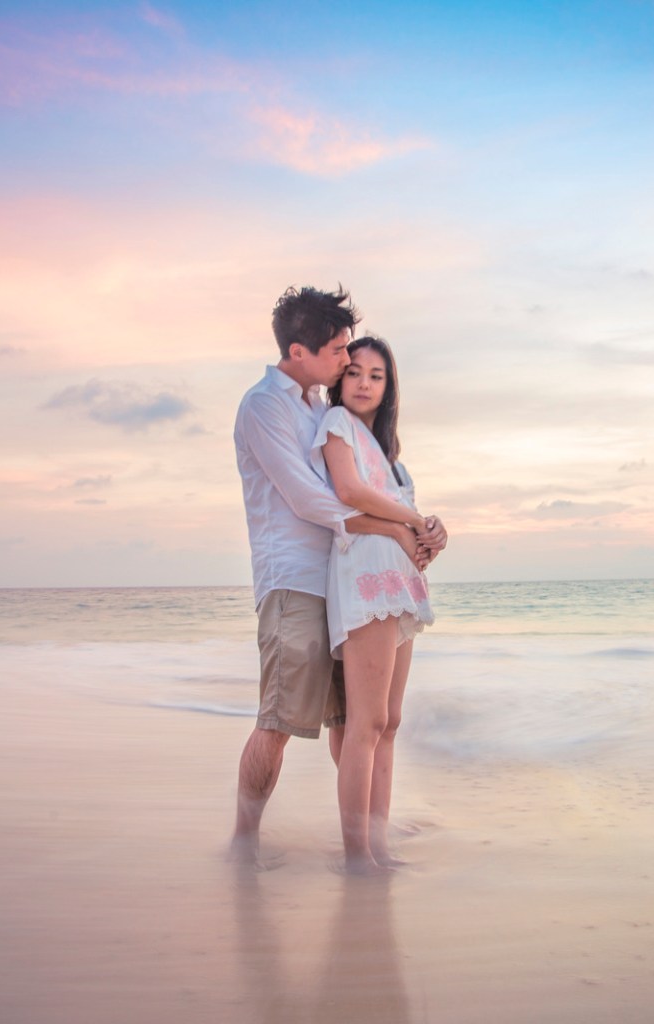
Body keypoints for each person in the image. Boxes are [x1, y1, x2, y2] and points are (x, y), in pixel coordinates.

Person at [229, 286, 443, 867]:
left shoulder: (324, 410)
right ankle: (244, 840)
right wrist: (397, 527)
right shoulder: (264, 407)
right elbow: (308, 499)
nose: (347, 363)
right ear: (298, 351)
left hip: (345, 580)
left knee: (354, 723)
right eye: (337, 352)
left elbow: (366, 485)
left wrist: (410, 530)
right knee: (280, 719)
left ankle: (365, 837)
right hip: (294, 579)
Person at [317, 335, 439, 873]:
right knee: (364, 724)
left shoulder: (391, 458)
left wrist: (435, 530)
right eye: (355, 373)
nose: (364, 383)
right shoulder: (336, 426)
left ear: (388, 389)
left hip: (400, 584)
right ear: (340, 381)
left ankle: (379, 842)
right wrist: (412, 523)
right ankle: (356, 854)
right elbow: (347, 492)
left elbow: (406, 512)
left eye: (376, 376)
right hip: (366, 576)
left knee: (389, 722)